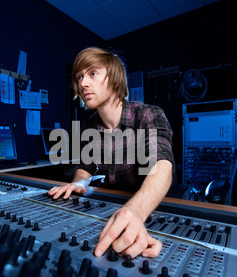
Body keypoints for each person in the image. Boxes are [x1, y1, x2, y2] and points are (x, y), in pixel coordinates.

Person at [48, 47, 175, 259]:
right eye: (79, 77)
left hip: (146, 205)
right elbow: (86, 167)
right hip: (112, 202)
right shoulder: (90, 126)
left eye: (92, 74)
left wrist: (136, 211)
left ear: (115, 80)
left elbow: (161, 165)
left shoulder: (148, 114)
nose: (83, 83)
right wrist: (79, 183)